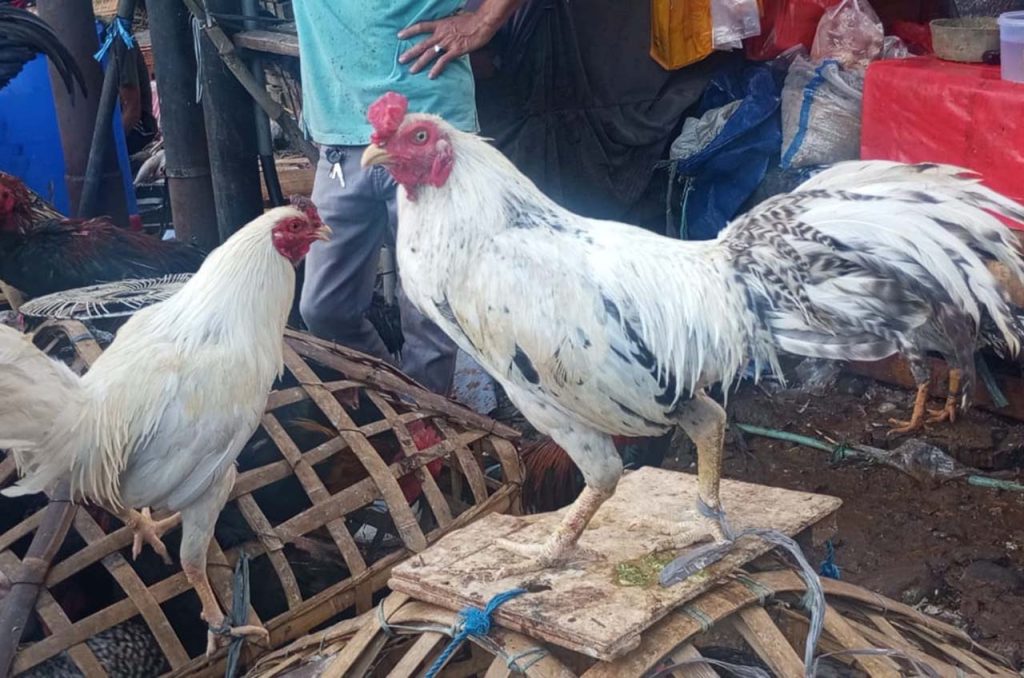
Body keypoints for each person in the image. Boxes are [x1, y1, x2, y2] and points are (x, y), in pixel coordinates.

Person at [293, 1, 522, 396]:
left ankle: (425, 428)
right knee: (323, 307)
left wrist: (482, 22)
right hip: (340, 140)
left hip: (429, 127)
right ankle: (401, 400)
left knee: (429, 312)